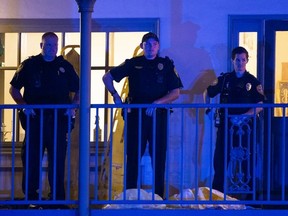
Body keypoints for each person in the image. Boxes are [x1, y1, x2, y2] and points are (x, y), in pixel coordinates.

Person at [102, 32, 183, 198]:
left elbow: (175, 93)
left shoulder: (166, 64)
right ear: (141, 46)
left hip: (158, 117)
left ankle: (159, 198)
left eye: (154, 44)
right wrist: (116, 96)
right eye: (147, 44)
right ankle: (130, 196)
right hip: (135, 117)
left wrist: (157, 103)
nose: (151, 47)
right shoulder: (133, 63)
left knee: (159, 158)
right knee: (132, 157)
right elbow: (107, 77)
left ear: (158, 47)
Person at [9, 32, 80, 201]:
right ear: (41, 46)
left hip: (58, 122)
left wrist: (73, 106)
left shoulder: (65, 66)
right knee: (31, 161)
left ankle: (57, 200)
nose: (52, 48)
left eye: (55, 45)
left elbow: (78, 90)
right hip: (35, 121)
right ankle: (31, 199)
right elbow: (14, 89)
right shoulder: (29, 65)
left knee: (57, 163)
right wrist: (23, 105)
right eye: (48, 45)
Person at [206, 46, 265, 195]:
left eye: (243, 60)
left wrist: (244, 116)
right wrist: (209, 109)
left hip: (246, 128)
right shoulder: (225, 79)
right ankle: (217, 196)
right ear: (232, 61)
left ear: (247, 60)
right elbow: (208, 92)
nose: (240, 63)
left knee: (248, 161)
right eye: (237, 60)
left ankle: (251, 199)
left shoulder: (253, 81)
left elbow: (260, 105)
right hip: (226, 125)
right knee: (220, 160)